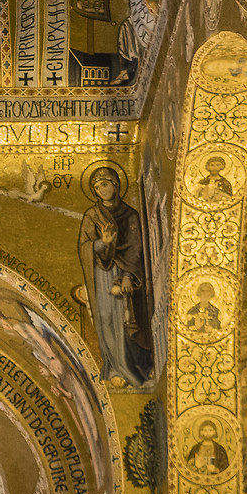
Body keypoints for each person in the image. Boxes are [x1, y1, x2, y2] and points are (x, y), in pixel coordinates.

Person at [78, 165, 153, 385]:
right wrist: (103, 243)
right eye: (97, 187)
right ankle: (114, 366)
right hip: (102, 275)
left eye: (105, 184)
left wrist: (128, 275)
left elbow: (136, 248)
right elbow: (84, 246)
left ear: (116, 185)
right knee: (106, 318)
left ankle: (133, 366)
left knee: (126, 319)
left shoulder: (131, 215)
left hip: (125, 274)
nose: (102, 190)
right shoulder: (92, 215)